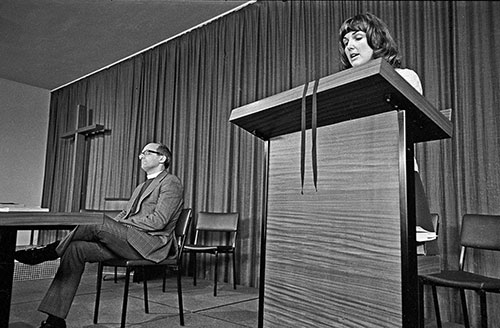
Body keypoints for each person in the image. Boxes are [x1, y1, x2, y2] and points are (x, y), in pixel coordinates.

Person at [14, 142, 184, 328]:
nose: (140, 156)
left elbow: (159, 221)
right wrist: (116, 227)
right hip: (127, 241)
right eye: (141, 153)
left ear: (162, 158)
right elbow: (124, 216)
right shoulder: (141, 186)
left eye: (146, 152)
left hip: (149, 245)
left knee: (98, 221)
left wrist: (116, 226)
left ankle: (49, 251)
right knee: (75, 248)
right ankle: (55, 321)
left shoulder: (171, 183)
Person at [338, 12, 435, 234]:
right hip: (356, 183)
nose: (350, 46)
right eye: (345, 42)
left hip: (396, 181)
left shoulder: (405, 76)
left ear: (377, 40)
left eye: (358, 38)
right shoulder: (345, 89)